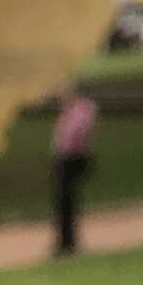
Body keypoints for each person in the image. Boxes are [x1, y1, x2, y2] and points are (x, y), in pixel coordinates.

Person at [50, 85, 98, 256]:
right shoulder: (68, 112)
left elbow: (76, 135)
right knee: (63, 201)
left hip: (74, 159)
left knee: (66, 199)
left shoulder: (82, 110)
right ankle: (65, 241)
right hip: (64, 159)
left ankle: (68, 243)